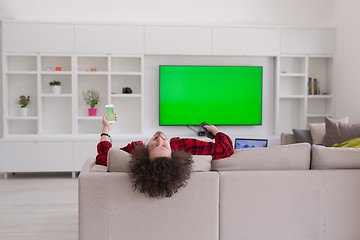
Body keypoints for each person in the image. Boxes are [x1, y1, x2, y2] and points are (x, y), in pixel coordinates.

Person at [96, 114, 234, 198]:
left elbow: (104, 156)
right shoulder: (184, 147)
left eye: (154, 145)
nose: (160, 138)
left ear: (144, 155)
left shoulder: (134, 150)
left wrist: (106, 129)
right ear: (173, 153)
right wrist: (215, 130)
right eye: (165, 146)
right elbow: (225, 149)